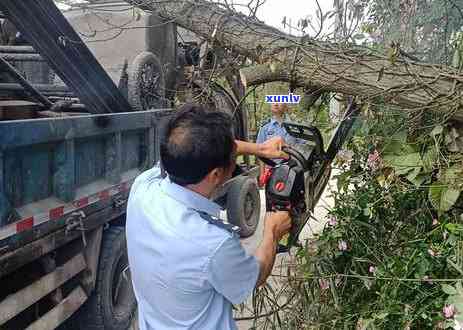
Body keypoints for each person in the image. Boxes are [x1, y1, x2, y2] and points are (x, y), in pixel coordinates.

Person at [126, 104, 292, 330]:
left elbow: (195, 146)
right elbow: (256, 275)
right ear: (216, 175)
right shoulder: (213, 245)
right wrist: (271, 231)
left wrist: (261, 149)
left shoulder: (144, 187)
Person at [256, 103, 303, 187]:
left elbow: (303, 148)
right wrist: (262, 173)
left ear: (286, 107)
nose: (276, 104)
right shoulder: (265, 129)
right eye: (273, 101)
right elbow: (260, 153)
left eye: (280, 101)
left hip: (291, 171)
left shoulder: (295, 127)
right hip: (271, 171)